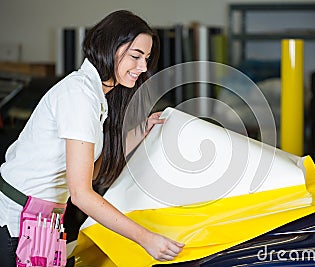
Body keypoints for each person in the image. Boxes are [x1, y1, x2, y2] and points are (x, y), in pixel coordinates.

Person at [0, 10, 184, 266]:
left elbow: (91, 173)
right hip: (17, 222)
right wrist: (146, 239)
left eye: (147, 58)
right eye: (136, 56)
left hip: (43, 220)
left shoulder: (97, 96)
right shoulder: (80, 96)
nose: (142, 68)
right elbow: (82, 194)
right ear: (110, 47)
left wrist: (141, 132)